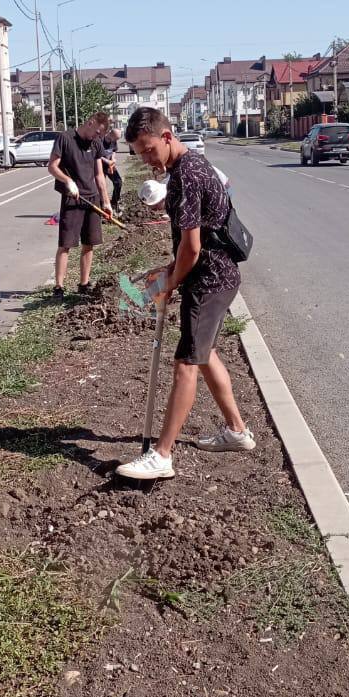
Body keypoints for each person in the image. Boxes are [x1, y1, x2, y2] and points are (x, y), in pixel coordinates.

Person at [117, 108, 255, 481]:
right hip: (215, 274)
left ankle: (162, 456)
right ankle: (237, 432)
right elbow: (189, 245)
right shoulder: (185, 168)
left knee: (185, 363)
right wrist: (171, 269)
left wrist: (171, 281)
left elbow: (192, 248)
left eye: (148, 150)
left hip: (209, 280)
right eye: (138, 154)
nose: (146, 160)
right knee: (203, 353)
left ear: (166, 136)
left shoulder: (187, 176)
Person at [48, 112, 113, 300]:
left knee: (89, 243)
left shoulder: (96, 144)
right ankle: (59, 287)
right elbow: (52, 166)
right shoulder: (65, 139)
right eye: (97, 132)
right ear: (91, 123)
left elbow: (99, 175)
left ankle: (84, 284)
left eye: (101, 135)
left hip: (92, 200)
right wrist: (68, 181)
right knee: (66, 244)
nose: (97, 137)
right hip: (72, 199)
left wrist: (106, 201)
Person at [101, 127, 123, 212]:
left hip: (110, 165)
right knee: (102, 186)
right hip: (100, 166)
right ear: (110, 134)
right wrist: (107, 161)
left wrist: (113, 159)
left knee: (118, 182)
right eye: (116, 138)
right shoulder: (100, 141)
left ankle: (114, 202)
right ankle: (102, 204)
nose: (116, 140)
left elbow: (114, 150)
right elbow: (97, 155)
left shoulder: (114, 141)